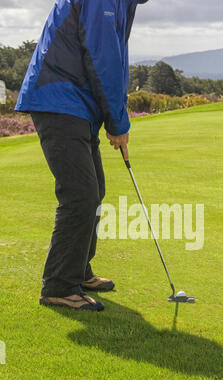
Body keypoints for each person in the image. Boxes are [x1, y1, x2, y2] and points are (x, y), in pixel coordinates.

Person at [15, 0, 149, 311]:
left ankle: (79, 271)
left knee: (94, 190)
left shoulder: (123, 3)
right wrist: (117, 123)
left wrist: (113, 117)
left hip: (78, 104)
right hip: (58, 99)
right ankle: (59, 286)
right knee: (80, 195)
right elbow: (103, 59)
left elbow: (114, 60)